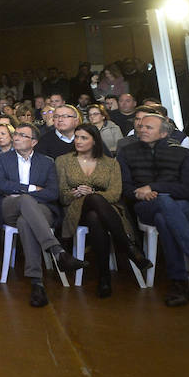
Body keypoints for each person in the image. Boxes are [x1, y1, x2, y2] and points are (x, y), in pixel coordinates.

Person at [117, 110, 189, 307]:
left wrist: (155, 187)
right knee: (164, 205)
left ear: (164, 133)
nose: (142, 129)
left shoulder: (182, 153)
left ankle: (179, 282)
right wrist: (138, 193)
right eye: (141, 126)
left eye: (148, 127)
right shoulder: (127, 153)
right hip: (146, 207)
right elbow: (126, 187)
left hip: (185, 207)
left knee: (165, 216)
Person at [0, 122, 84, 306]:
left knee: (25, 222)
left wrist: (22, 192)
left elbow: (52, 193)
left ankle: (37, 283)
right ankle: (57, 251)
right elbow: (2, 186)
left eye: (22, 135)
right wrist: (32, 188)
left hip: (42, 208)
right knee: (26, 200)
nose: (16, 137)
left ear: (33, 142)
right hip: (10, 206)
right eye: (16, 134)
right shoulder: (2, 159)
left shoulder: (47, 162)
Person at [56, 124, 151, 297]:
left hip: (107, 210)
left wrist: (93, 193)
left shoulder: (110, 163)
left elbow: (115, 194)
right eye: (76, 137)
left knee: (95, 215)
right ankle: (128, 247)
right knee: (92, 204)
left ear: (94, 141)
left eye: (84, 138)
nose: (78, 141)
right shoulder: (63, 160)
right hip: (76, 210)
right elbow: (62, 196)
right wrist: (75, 193)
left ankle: (104, 277)